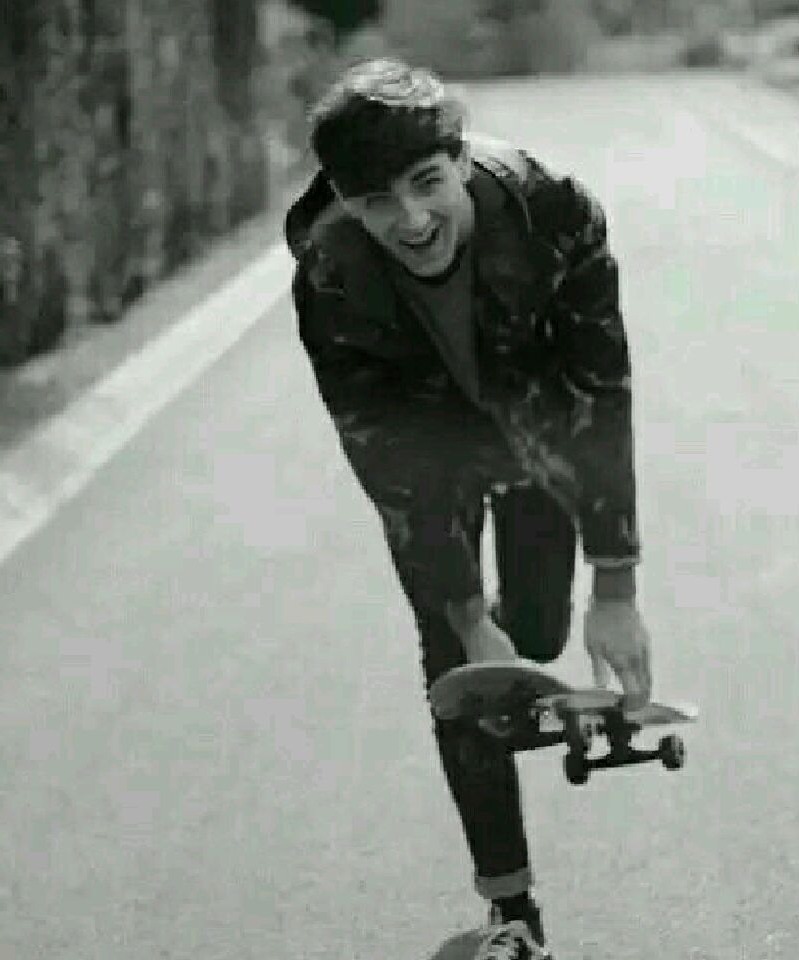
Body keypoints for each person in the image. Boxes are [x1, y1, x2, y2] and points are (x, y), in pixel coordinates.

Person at [285, 58, 652, 959]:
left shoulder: (554, 210)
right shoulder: (330, 273)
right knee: (462, 671)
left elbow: (601, 391)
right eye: (377, 202)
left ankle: (514, 640)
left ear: (458, 158)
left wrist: (615, 582)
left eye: (426, 183)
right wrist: (461, 615)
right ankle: (512, 910)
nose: (411, 221)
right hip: (427, 460)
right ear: (346, 203)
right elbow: (383, 456)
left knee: (537, 635)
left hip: (533, 434)